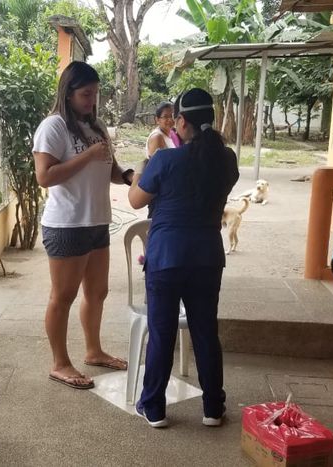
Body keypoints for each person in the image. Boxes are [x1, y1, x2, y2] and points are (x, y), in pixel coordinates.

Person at [128, 88, 239, 428]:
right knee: (205, 332)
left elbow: (135, 200)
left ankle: (154, 408)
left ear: (181, 121)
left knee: (162, 333)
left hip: (166, 257)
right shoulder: (227, 160)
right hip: (207, 257)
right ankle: (213, 408)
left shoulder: (164, 160)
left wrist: (140, 173)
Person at [33, 61, 133, 390]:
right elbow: (45, 176)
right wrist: (87, 155)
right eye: (86, 94)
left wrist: (131, 176)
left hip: (98, 221)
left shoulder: (96, 127)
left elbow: (111, 170)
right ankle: (59, 363)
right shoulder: (54, 126)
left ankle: (94, 351)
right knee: (63, 296)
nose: (92, 100)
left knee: (97, 292)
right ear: (69, 93)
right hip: (67, 224)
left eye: (95, 94)